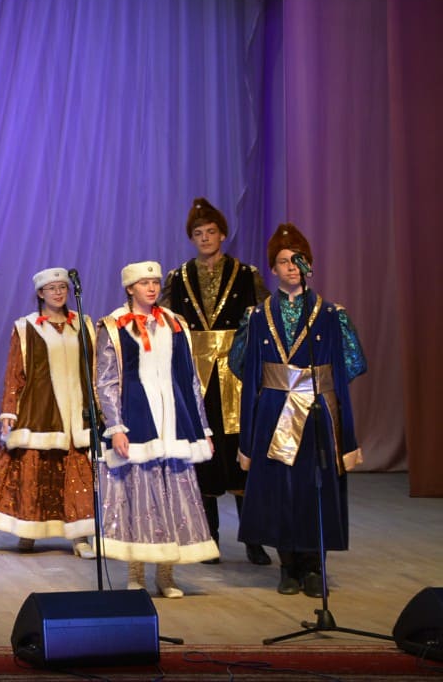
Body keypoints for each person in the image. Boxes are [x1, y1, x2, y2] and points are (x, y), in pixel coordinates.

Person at [233, 224, 367, 598]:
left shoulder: (331, 314)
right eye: (283, 261)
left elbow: (353, 361)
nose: (292, 266)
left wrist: (315, 384)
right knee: (280, 486)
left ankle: (313, 564)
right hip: (274, 409)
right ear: (273, 268)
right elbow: (240, 363)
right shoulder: (257, 315)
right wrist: (280, 383)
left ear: (309, 265)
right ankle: (287, 565)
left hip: (317, 410)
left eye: (298, 260)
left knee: (315, 483)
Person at [95, 261, 218, 598]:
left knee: (173, 498)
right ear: (130, 288)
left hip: (173, 420)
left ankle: (166, 575)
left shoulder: (174, 323)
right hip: (138, 418)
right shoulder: (114, 325)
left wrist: (203, 428)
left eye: (155, 282)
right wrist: (116, 427)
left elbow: (189, 378)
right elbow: (106, 380)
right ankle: (136, 573)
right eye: (143, 283)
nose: (151, 288)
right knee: (140, 498)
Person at [160, 199, 270, 566]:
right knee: (202, 454)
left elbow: (264, 318)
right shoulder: (178, 278)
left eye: (210, 232)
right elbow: (164, 322)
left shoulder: (246, 274)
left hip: (235, 375)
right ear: (191, 238)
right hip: (196, 376)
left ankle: (254, 538)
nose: (205, 238)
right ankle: (209, 538)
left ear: (222, 234)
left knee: (241, 454)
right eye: (198, 233)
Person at [0, 268, 95, 555]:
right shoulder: (27, 327)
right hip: (41, 411)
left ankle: (80, 538)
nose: (58, 292)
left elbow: (93, 369)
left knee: (77, 475)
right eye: (52, 288)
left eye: (62, 287)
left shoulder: (82, 323)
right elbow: (15, 373)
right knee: (35, 471)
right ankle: (28, 530)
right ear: (40, 293)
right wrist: (9, 412)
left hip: (76, 412)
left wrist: (99, 408)